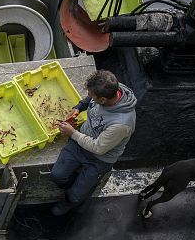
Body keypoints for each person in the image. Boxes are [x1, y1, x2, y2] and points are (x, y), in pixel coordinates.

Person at [49, 69, 137, 216]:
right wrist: (78, 107)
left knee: (76, 195)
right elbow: (88, 100)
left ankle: (71, 200)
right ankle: (77, 183)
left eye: (92, 95)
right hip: (80, 141)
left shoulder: (121, 124)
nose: (89, 96)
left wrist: (73, 133)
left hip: (99, 158)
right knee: (57, 176)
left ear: (102, 100)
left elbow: (98, 148)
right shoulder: (112, 88)